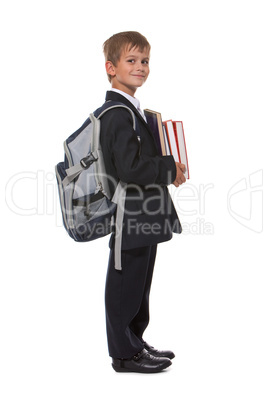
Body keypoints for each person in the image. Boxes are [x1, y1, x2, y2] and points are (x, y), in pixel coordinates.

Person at [100, 31, 186, 373]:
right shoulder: (116, 113)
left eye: (145, 61)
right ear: (111, 67)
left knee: (139, 280)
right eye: (131, 61)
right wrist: (168, 167)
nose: (140, 67)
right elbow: (129, 168)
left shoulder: (130, 110)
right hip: (130, 212)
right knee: (124, 282)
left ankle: (135, 342)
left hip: (143, 211)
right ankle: (124, 354)